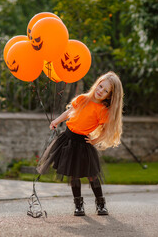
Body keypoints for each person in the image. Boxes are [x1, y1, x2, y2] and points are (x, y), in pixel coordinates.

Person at [37, 71, 124, 216]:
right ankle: (78, 205)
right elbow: (70, 112)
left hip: (83, 144)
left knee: (92, 175)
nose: (100, 91)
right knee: (74, 175)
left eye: (106, 90)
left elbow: (106, 130)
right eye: (100, 86)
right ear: (97, 84)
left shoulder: (102, 110)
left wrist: (95, 140)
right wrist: (56, 121)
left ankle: (100, 204)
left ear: (110, 96)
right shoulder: (83, 99)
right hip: (67, 140)